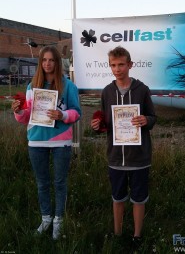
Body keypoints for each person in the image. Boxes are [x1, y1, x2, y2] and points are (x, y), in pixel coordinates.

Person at [11, 46, 81, 240]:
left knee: (59, 183)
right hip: (36, 140)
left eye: (51, 60)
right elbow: (26, 118)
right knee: (42, 183)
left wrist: (63, 114)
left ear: (58, 63)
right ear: (40, 63)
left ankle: (58, 220)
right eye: (44, 60)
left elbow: (77, 113)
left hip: (60, 141)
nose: (47, 63)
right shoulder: (31, 87)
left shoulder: (68, 86)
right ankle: (46, 219)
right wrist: (18, 111)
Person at [90, 46, 156, 247]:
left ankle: (137, 236)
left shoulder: (142, 89)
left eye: (121, 65)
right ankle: (117, 234)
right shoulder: (107, 92)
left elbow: (153, 117)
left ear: (130, 65)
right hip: (116, 157)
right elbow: (104, 121)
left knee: (139, 198)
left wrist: (146, 120)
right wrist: (97, 126)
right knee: (117, 197)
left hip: (139, 157)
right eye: (113, 65)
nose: (117, 69)